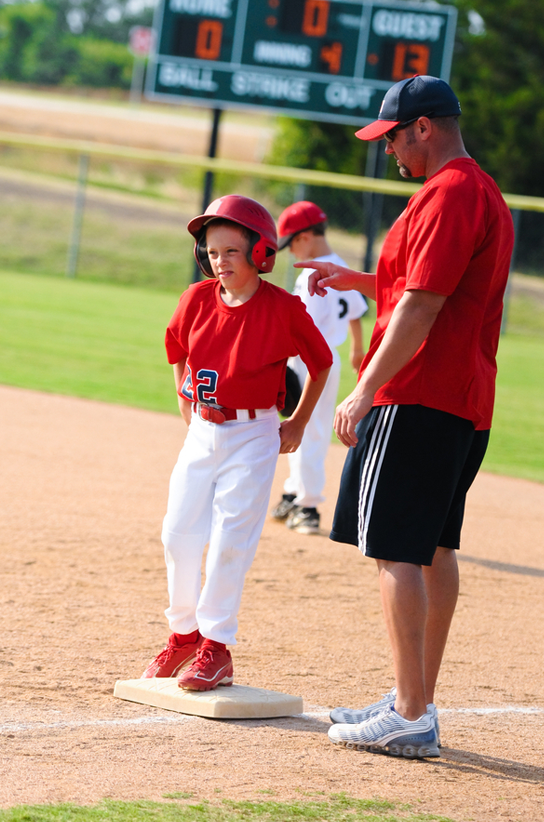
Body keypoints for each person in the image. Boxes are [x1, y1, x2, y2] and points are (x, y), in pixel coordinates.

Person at [296, 75, 514, 758]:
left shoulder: (449, 193)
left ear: (423, 127)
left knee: (394, 549)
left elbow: (421, 308)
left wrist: (364, 388)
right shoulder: (482, 192)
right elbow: (427, 288)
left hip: (418, 393)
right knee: (434, 549)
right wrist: (361, 282)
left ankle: (413, 713)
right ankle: (411, 696)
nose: (388, 149)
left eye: (392, 136)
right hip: (462, 397)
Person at [141, 195, 332, 691]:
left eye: (229, 251)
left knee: (230, 541)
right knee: (177, 532)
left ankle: (216, 648)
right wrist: (184, 397)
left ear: (261, 253)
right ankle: (184, 633)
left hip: (254, 434)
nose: (218, 261)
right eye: (210, 251)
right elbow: (177, 349)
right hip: (204, 429)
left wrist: (297, 422)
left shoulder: (283, 309)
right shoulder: (196, 298)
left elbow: (321, 363)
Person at [270, 201, 367, 534]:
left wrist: (279, 356)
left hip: (311, 360)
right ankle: (296, 489)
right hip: (325, 357)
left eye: (293, 241)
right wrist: (356, 346)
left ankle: (308, 505)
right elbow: (356, 310)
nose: (290, 249)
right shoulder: (339, 266)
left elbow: (302, 325)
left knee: (306, 428)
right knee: (301, 425)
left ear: (307, 236)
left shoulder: (315, 272)